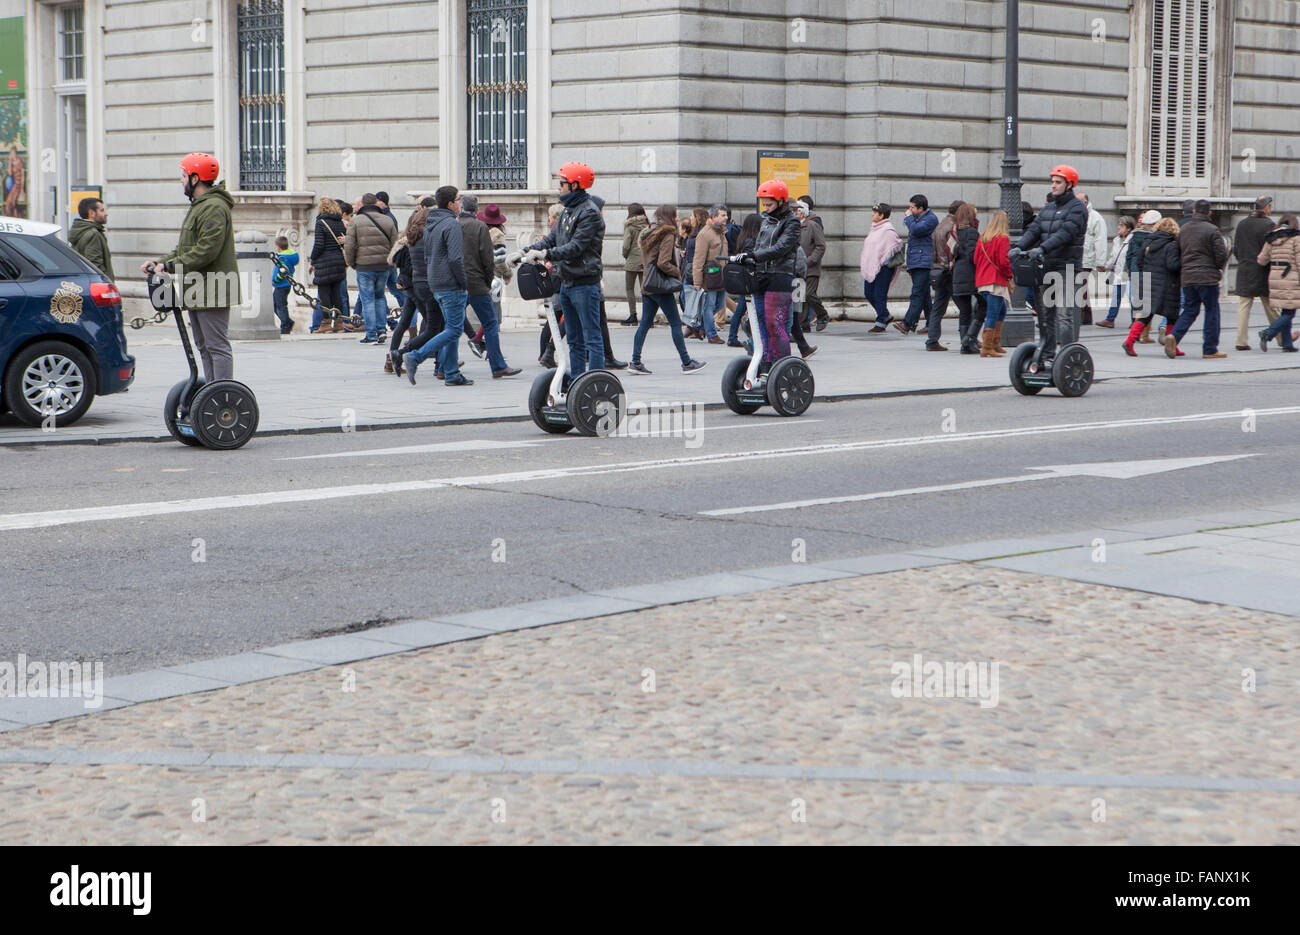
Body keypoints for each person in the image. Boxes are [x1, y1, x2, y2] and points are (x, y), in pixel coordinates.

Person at [141, 152, 239, 382]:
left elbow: (206, 250)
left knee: (216, 346)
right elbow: (185, 248)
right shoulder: (200, 206)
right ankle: (211, 392)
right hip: (197, 287)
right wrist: (160, 262)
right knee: (204, 346)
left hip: (213, 288)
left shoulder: (213, 207)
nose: (181, 181)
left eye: (184, 176)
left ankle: (223, 396)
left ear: (196, 178)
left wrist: (171, 265)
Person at [522, 162, 607, 377]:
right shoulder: (568, 210)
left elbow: (576, 246)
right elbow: (552, 239)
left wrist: (546, 255)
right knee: (575, 340)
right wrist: (527, 250)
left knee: (592, 339)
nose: (559, 187)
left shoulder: (589, 212)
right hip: (567, 282)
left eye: (562, 183)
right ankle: (578, 382)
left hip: (584, 283)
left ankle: (595, 383)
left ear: (576, 185)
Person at [1009, 164, 1088, 361]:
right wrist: (1020, 246)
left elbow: (1066, 234)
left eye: (1058, 182)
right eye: (1052, 181)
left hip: (1067, 267)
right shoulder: (1049, 208)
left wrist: (1042, 249)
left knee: (1064, 315)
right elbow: (1034, 230)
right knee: (1045, 314)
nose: (1053, 185)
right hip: (1047, 267)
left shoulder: (1077, 209)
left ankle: (1068, 356)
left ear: (1069, 185)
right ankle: (1048, 352)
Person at [405, 185, 472, 385]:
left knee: (452, 328)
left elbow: (428, 256)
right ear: (451, 204)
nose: (460, 203)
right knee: (453, 330)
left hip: (435, 282)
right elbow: (455, 258)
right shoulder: (451, 225)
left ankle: (451, 373)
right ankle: (415, 356)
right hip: (450, 283)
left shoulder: (431, 224)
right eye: (458, 199)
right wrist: (463, 282)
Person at [627, 204, 706, 374]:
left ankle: (635, 361)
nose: (677, 218)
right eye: (676, 215)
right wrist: (677, 272)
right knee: (676, 324)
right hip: (661, 286)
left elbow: (647, 260)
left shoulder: (650, 232)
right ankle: (686, 362)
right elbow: (663, 262)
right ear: (670, 216)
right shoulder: (668, 233)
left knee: (645, 324)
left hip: (648, 285)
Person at [735, 179, 801, 370]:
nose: (766, 208)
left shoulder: (792, 222)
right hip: (761, 276)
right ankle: (765, 363)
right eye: (763, 204)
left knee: (774, 323)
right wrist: (748, 258)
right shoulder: (766, 221)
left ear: (781, 201)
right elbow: (759, 246)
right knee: (760, 323)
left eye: (769, 204)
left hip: (780, 277)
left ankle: (783, 367)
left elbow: (781, 247)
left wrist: (754, 256)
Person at [458, 192, 520, 378]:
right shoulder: (479, 228)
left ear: (461, 208)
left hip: (457, 280)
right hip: (477, 282)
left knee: (451, 322)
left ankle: (444, 365)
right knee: (491, 322)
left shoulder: (454, 225)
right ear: (476, 210)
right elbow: (488, 260)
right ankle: (498, 365)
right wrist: (487, 281)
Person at [1164, 199, 1229, 359]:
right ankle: (1210, 348)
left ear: (1193, 212)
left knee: (1190, 310)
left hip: (1187, 276)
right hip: (1207, 278)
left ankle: (1174, 336)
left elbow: (1177, 252)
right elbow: (1221, 254)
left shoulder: (1183, 230)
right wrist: (1216, 268)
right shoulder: (1212, 229)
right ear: (1209, 212)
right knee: (1212, 310)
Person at [345, 193, 398, 344]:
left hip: (364, 266)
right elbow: (395, 245)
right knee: (380, 297)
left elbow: (349, 246)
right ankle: (382, 330)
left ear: (362, 204)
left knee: (367, 299)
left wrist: (351, 263)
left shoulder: (355, 221)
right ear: (375, 203)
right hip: (384, 266)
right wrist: (391, 262)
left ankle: (371, 333)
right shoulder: (387, 220)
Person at [1126, 217, 1183, 356]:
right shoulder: (1172, 245)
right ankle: (1172, 346)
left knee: (1146, 315)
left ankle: (1129, 341)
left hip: (1147, 282)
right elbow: (1172, 265)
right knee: (1172, 316)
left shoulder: (1148, 242)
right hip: (1166, 285)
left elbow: (1139, 262)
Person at [1232, 195, 1278, 350]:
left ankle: (1241, 341)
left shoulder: (1242, 223)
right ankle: (1281, 338)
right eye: (1270, 206)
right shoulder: (1269, 225)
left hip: (1245, 269)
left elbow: (1236, 249)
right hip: (1263, 270)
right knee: (1271, 306)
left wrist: (1244, 261)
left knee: (1244, 305)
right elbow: (1272, 250)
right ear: (1266, 208)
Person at [1255, 213, 1300, 352]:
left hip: (1275, 277)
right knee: (1289, 313)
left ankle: (1287, 344)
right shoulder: (1296, 238)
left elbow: (1261, 260)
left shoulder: (1271, 238)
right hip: (1291, 277)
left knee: (1286, 310)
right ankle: (1268, 333)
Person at [896, 194, 938, 335]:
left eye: (912, 207)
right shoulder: (918, 218)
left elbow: (916, 230)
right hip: (917, 260)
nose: (909, 210)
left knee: (917, 293)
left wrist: (908, 218)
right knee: (924, 294)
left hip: (923, 261)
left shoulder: (930, 219)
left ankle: (907, 323)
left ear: (921, 208)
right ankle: (931, 324)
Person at [974, 208, 1012, 357]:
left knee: (1001, 310)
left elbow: (975, 260)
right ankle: (987, 346)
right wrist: (1009, 276)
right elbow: (1003, 261)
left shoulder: (983, 237)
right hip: (995, 280)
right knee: (993, 312)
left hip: (982, 280)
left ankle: (995, 343)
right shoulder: (1002, 238)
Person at [861, 202, 903, 332]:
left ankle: (881, 321)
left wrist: (882, 261)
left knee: (880, 295)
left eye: (875, 212)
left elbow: (894, 245)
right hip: (872, 267)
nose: (873, 214)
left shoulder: (888, 230)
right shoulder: (874, 228)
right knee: (868, 293)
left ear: (882, 215)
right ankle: (885, 315)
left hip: (884, 268)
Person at [308, 197, 347, 333]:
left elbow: (319, 245)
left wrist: (312, 259)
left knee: (324, 293)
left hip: (325, 262)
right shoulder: (340, 222)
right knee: (336, 293)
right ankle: (338, 323)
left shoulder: (321, 222)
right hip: (339, 262)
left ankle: (325, 323)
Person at [949, 202, 984, 354]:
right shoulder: (971, 232)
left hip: (957, 273)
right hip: (970, 274)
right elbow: (972, 255)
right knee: (983, 304)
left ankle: (966, 344)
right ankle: (969, 339)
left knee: (965, 310)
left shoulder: (954, 231)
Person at [692, 203, 729, 345]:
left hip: (721, 275)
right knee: (709, 305)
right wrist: (697, 281)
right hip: (710, 275)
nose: (726, 217)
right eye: (723, 215)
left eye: (726, 215)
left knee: (719, 304)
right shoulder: (705, 234)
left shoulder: (721, 232)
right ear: (714, 217)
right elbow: (698, 258)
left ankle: (698, 326)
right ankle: (711, 334)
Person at [926, 200, 962, 343]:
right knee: (966, 307)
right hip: (950, 271)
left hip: (939, 270)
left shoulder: (940, 225)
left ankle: (932, 340)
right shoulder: (953, 228)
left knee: (938, 307)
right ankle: (967, 337)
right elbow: (953, 250)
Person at [1125, 210, 1161, 342]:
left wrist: (1130, 269)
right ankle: (1143, 335)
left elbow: (1129, 255)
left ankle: (1139, 333)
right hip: (1148, 271)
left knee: (1138, 304)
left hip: (1134, 271)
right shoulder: (1154, 236)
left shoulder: (1134, 235)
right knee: (1147, 304)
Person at [727, 212, 762, 347]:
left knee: (741, 309)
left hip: (745, 278)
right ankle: (733, 337)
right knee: (742, 308)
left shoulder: (744, 238)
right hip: (749, 279)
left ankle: (733, 336)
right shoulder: (750, 241)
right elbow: (749, 260)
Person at [796, 199, 829, 331]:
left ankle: (822, 314)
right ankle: (802, 324)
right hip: (797, 268)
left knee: (809, 294)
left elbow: (821, 246)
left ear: (802, 212)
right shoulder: (793, 226)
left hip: (810, 268)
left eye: (796, 211)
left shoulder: (812, 225)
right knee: (799, 298)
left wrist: (810, 260)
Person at [1098, 216, 1135, 327]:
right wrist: (1105, 267)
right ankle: (1110, 319)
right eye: (1118, 224)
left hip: (1128, 274)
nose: (1118, 227)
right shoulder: (1116, 240)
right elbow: (1113, 257)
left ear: (1128, 228)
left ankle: (1135, 321)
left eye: (1122, 225)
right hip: (1118, 274)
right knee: (1115, 298)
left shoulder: (1132, 240)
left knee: (1132, 298)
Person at [1078, 192, 1108, 323]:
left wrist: (1100, 262)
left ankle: (1084, 317)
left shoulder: (1095, 218)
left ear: (1085, 202)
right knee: (1080, 288)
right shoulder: (1077, 215)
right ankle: (1083, 317)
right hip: (1077, 257)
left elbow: (1100, 241)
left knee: (1081, 287)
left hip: (1086, 259)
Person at [375, 191, 405, 311]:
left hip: (385, 259)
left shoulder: (386, 218)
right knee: (393, 289)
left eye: (376, 201)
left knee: (377, 292)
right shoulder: (387, 216)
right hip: (388, 258)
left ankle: (398, 317)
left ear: (381, 202)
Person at [69, 197, 114, 279]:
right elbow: (95, 264)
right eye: (102, 210)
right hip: (98, 285)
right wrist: (105, 283)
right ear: (92, 213)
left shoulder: (81, 230)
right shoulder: (93, 234)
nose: (106, 213)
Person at [621, 203, 648, 326]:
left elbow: (626, 245)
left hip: (632, 260)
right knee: (646, 290)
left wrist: (626, 255)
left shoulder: (629, 226)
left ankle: (633, 315)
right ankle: (648, 317)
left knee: (629, 288)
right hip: (645, 260)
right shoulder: (647, 225)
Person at [270, 235, 298, 334]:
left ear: (278, 246)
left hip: (281, 285)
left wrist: (276, 280)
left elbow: (283, 271)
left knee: (281, 306)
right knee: (274, 305)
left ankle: (285, 325)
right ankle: (288, 322)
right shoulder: (288, 255)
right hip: (285, 285)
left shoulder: (283, 257)